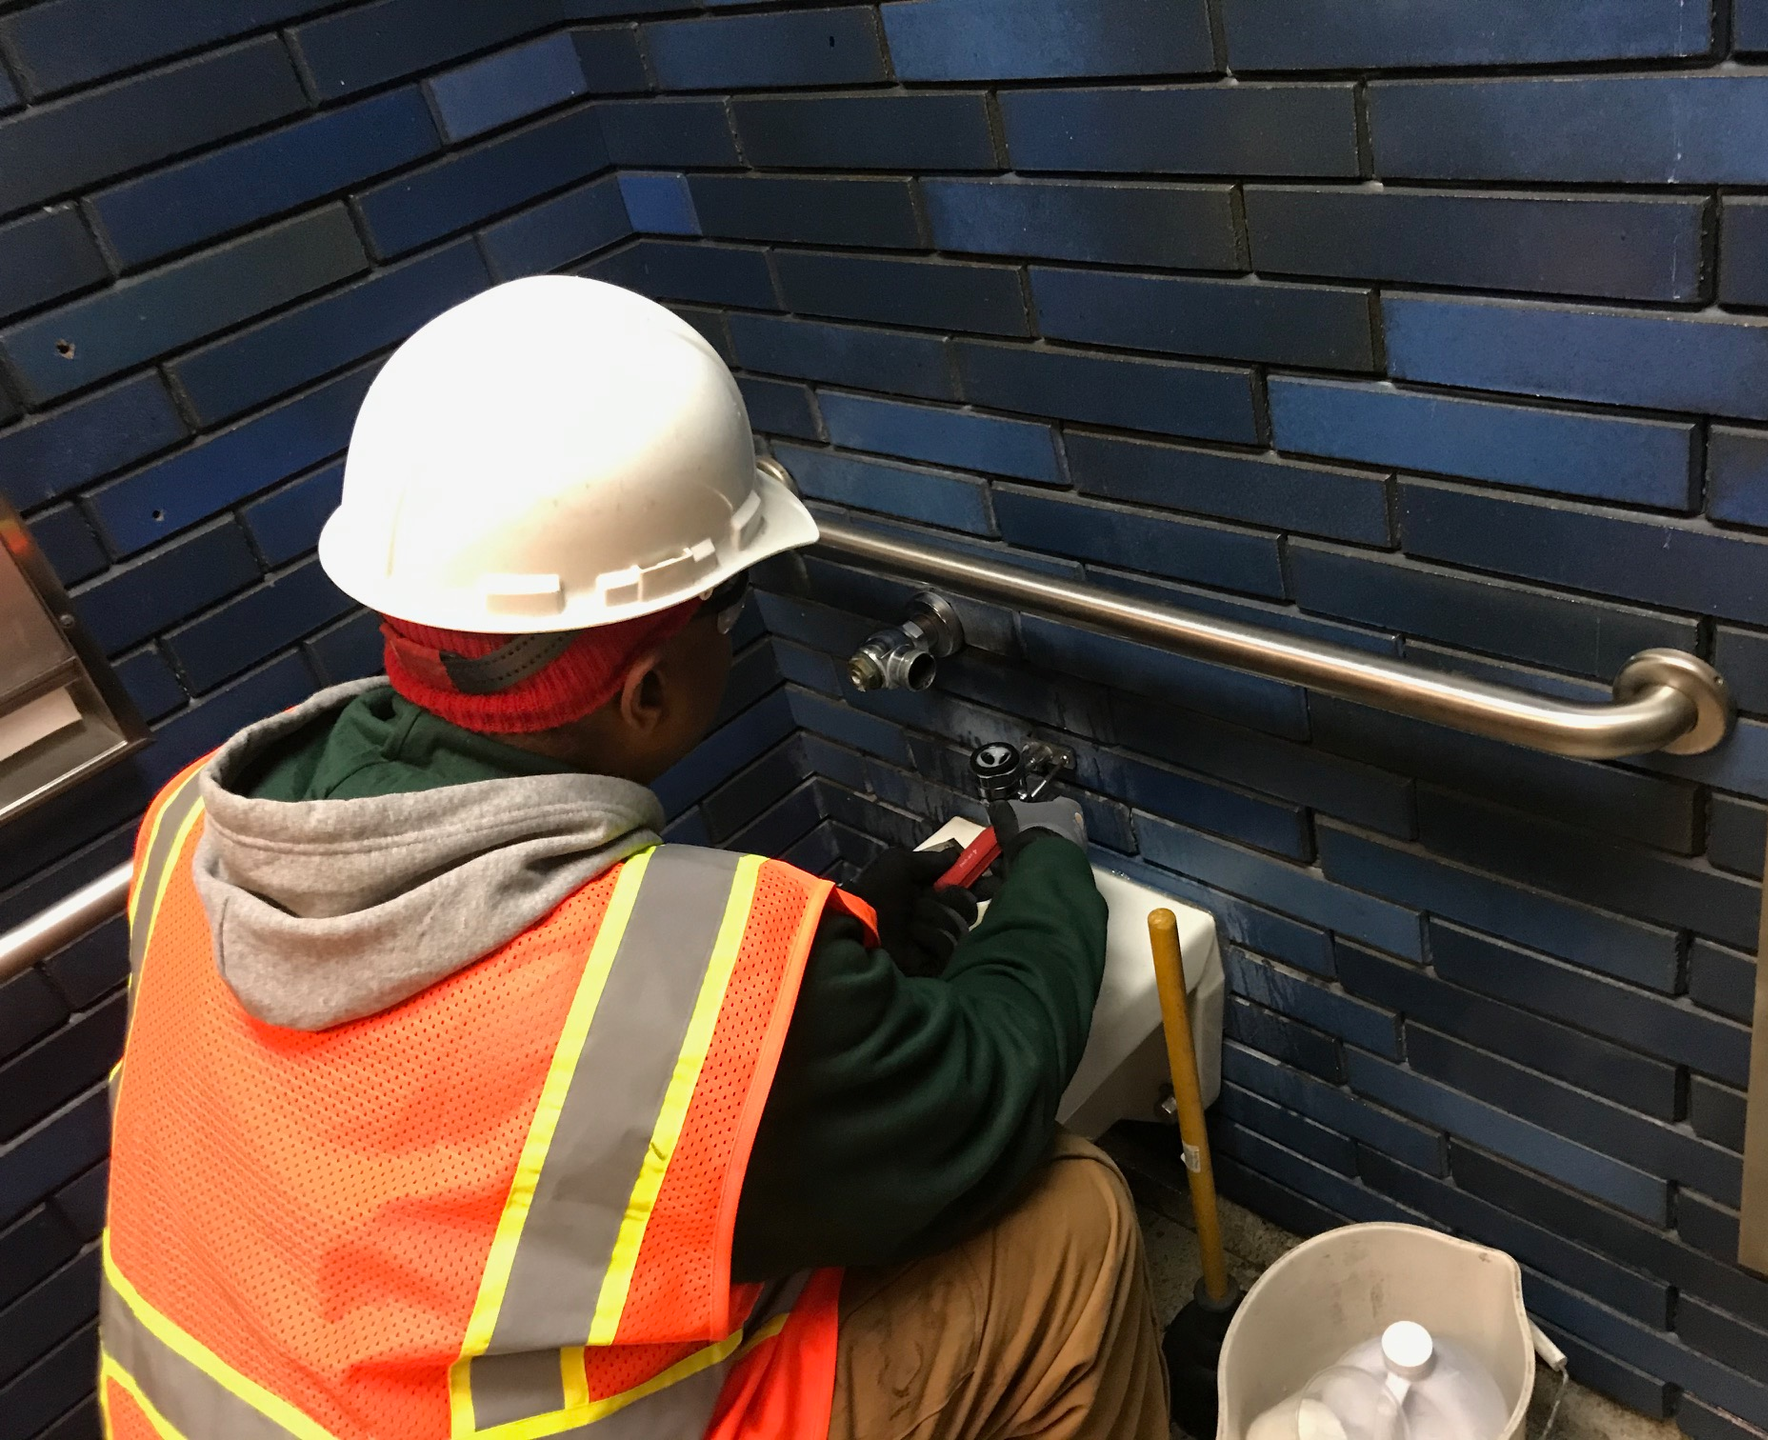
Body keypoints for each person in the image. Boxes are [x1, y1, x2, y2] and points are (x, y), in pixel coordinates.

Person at [102, 276, 1170, 1440]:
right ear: (648, 690)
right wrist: (1056, 880)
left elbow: (466, 1143)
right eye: (732, 600)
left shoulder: (194, 834)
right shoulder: (648, 990)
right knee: (1070, 1217)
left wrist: (846, 958)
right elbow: (982, 1100)